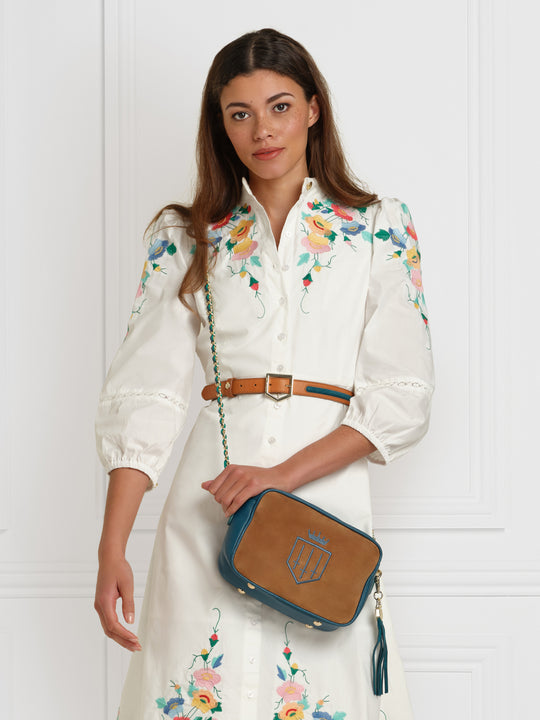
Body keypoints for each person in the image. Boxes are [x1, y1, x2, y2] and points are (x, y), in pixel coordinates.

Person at [94, 27, 434, 720]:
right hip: (208, 506)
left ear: (313, 108)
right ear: (220, 125)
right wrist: (111, 547)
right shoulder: (186, 236)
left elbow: (402, 397)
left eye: (279, 107)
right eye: (240, 113)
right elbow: (145, 396)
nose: (263, 130)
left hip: (323, 511)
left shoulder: (378, 228)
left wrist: (280, 476)